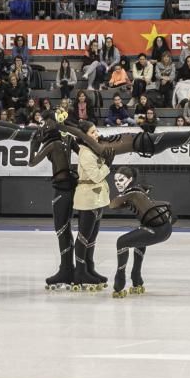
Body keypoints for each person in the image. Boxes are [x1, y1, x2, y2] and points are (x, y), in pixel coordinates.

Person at [107, 166, 175, 298]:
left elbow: (112, 205)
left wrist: (125, 197)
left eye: (121, 180)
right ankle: (136, 279)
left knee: (121, 242)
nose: (118, 184)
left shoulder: (133, 192)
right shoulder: (137, 191)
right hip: (162, 228)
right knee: (139, 238)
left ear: (130, 179)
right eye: (115, 181)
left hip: (158, 230)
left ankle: (119, 281)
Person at [29, 113, 80, 289]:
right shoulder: (67, 139)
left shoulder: (52, 144)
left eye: (45, 122)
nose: (43, 125)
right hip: (72, 186)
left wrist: (33, 145)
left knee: (61, 229)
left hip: (61, 189)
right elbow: (84, 154)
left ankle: (66, 270)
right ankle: (71, 268)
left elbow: (32, 162)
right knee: (67, 229)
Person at [71, 121, 111, 290]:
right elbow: (95, 176)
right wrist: (108, 165)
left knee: (92, 237)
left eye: (96, 131)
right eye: (93, 132)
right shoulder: (85, 152)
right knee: (84, 236)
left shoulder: (93, 150)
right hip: (88, 197)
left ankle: (89, 268)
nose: (97, 134)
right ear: (85, 135)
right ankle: (80, 271)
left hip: (98, 197)